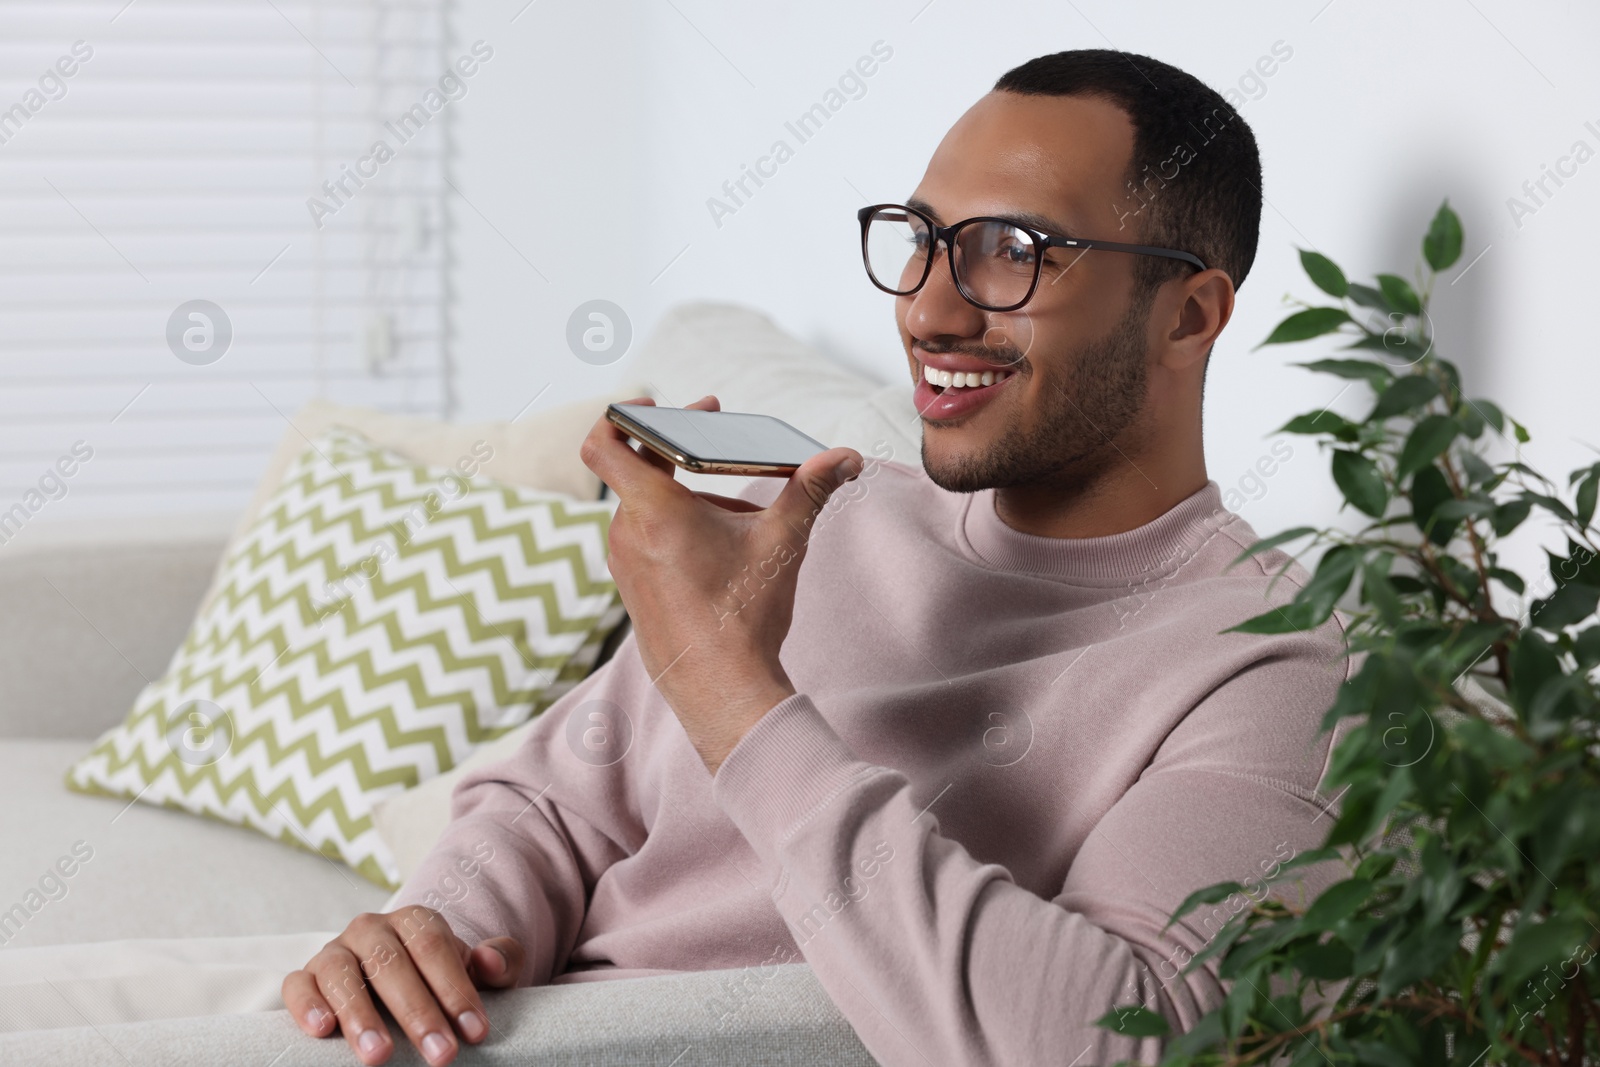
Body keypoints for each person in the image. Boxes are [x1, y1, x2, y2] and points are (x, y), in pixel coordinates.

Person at [283, 48, 1353, 1066]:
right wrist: (433, 933)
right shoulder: (811, 512)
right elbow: (546, 806)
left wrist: (728, 688)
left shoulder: (1273, 665)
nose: (929, 309)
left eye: (1014, 252)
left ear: (1188, 315)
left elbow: (1118, 1041)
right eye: (921, 237)